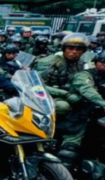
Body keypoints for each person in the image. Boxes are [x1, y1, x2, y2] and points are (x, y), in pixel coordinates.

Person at [38, 33, 90, 163]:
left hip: (72, 97)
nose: (74, 52)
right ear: (64, 49)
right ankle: (48, 136)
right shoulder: (49, 62)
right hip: (45, 97)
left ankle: (71, 144)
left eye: (78, 50)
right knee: (63, 107)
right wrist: (65, 94)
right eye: (70, 49)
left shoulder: (83, 65)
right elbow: (37, 84)